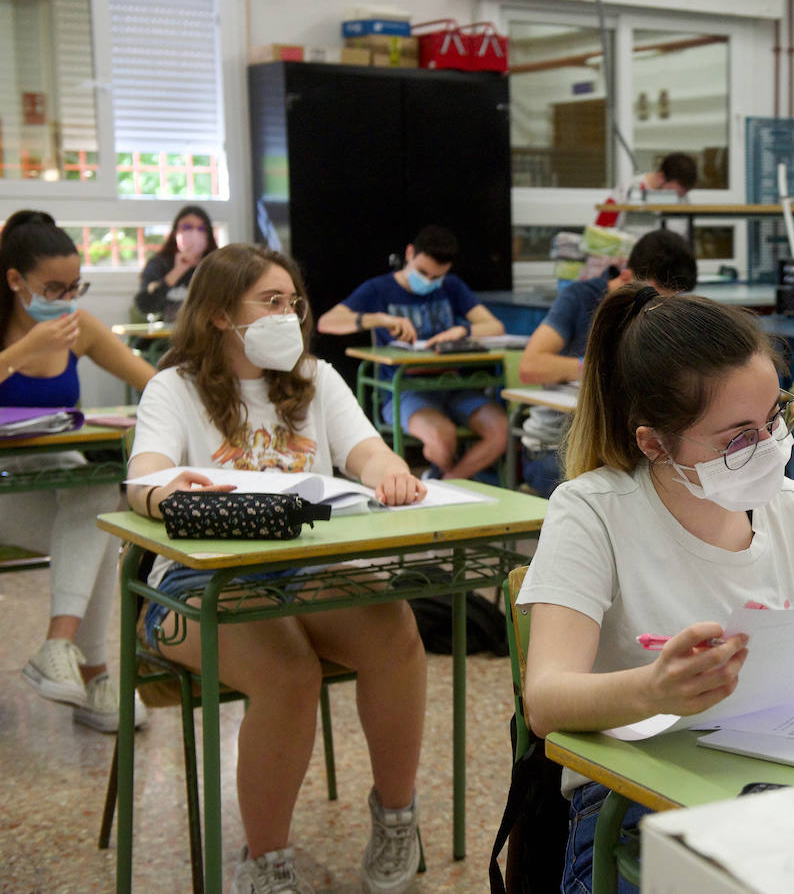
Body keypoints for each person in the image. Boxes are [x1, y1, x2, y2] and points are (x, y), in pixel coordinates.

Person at [517, 284, 794, 893]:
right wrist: (655, 689)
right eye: (736, 437)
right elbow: (545, 702)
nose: (768, 447)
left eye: (775, 417)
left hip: (779, 776)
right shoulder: (593, 511)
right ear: (653, 443)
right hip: (633, 804)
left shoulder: (792, 507)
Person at [125, 243, 429, 894]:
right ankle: (265, 860)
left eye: (293, 303)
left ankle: (397, 815)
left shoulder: (317, 379)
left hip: (301, 568)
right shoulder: (172, 388)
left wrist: (393, 475)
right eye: (269, 302)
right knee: (289, 675)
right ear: (216, 315)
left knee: (393, 628)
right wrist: (169, 494)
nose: (287, 316)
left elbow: (370, 454)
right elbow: (141, 482)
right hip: (191, 582)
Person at [0, 209, 157, 732]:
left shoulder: (78, 327)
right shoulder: (22, 330)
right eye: (54, 288)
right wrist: (24, 351)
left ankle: (58, 647)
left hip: (57, 477)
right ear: (15, 281)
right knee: (97, 524)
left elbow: (152, 382)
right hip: (6, 490)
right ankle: (96, 675)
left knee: (97, 501)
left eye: (75, 287)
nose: (66, 301)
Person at [317, 225, 508, 480]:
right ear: (409, 253)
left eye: (436, 277)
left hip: (454, 386)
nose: (428, 282)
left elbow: (494, 326)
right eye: (422, 273)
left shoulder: (451, 287)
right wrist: (379, 319)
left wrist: (462, 331)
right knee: (443, 437)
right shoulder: (378, 289)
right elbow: (327, 322)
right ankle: (446, 481)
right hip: (404, 390)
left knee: (501, 428)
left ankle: (448, 481)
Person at [516, 229, 697, 496]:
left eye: (671, 301)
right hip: (556, 446)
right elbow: (530, 366)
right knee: (630, 494)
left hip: (628, 445)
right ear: (626, 276)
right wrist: (598, 367)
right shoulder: (578, 299)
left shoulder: (666, 315)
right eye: (655, 299)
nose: (661, 311)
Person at [134, 205, 218, 322]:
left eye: (201, 229)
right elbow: (145, 306)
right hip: (165, 336)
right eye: (187, 227)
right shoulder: (158, 263)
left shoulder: (217, 265)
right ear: (175, 232)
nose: (194, 233)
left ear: (208, 235)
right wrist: (178, 270)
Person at [614, 152, 698, 238]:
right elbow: (603, 226)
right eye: (674, 193)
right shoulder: (627, 189)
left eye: (681, 194)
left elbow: (683, 233)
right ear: (661, 177)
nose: (676, 198)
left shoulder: (682, 198)